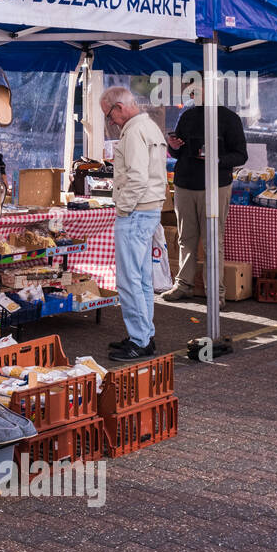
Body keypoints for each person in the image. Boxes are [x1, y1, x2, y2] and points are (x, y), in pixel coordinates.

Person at [102, 86, 168, 362]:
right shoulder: (149, 126)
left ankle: (140, 339)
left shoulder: (133, 131)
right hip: (149, 209)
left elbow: (137, 177)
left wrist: (123, 208)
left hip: (136, 212)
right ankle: (143, 335)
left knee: (129, 280)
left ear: (119, 107)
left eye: (109, 115)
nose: (111, 122)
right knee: (141, 279)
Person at [163, 101, 249, 304]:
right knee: (186, 238)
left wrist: (217, 160)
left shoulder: (229, 118)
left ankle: (215, 292)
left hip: (215, 186)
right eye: (192, 90)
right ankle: (183, 285)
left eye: (196, 89)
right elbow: (178, 152)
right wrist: (173, 146)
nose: (193, 94)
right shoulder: (187, 115)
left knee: (213, 241)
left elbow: (241, 155)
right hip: (184, 184)